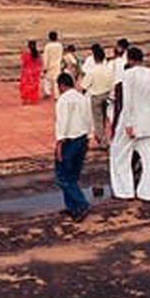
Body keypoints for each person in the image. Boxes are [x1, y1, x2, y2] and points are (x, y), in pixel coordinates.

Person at [109, 47, 150, 202]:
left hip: (131, 122)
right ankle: (145, 193)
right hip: (149, 121)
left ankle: (124, 191)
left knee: (119, 156)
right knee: (148, 160)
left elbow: (128, 101)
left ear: (129, 59)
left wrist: (128, 123)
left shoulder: (129, 75)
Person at [53, 72, 92, 221]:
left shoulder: (63, 100)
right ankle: (72, 207)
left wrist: (59, 143)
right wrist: (89, 136)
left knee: (63, 177)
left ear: (61, 86)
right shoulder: (82, 98)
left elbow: (62, 122)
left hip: (69, 141)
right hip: (82, 138)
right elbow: (89, 119)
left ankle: (81, 204)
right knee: (72, 176)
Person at [80, 43, 114, 148]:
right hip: (107, 95)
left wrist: (82, 94)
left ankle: (102, 140)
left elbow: (84, 86)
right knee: (104, 118)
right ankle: (106, 137)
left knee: (97, 119)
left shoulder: (92, 71)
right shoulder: (109, 69)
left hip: (96, 96)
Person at [42, 31, 64, 99]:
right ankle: (57, 95)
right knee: (56, 80)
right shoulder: (60, 46)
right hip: (57, 64)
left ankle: (47, 92)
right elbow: (61, 55)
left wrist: (45, 67)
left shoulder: (47, 46)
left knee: (47, 79)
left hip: (50, 65)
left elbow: (46, 57)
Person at [19, 40, 42, 105]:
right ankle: (33, 99)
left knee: (25, 86)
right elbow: (40, 63)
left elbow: (23, 63)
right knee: (34, 86)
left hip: (27, 72)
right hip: (35, 72)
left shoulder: (26, 54)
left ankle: (25, 99)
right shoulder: (37, 54)